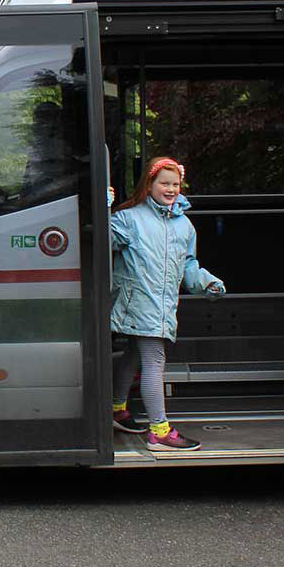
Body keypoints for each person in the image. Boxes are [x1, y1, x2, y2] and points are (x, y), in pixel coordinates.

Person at [110, 158, 226, 451]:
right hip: (139, 302)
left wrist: (206, 282)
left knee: (133, 355)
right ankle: (159, 431)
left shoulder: (184, 226)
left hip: (160, 304)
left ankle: (117, 409)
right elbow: (102, 240)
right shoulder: (130, 218)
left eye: (175, 184)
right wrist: (104, 207)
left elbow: (188, 265)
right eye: (164, 183)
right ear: (148, 185)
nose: (171, 189)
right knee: (154, 361)